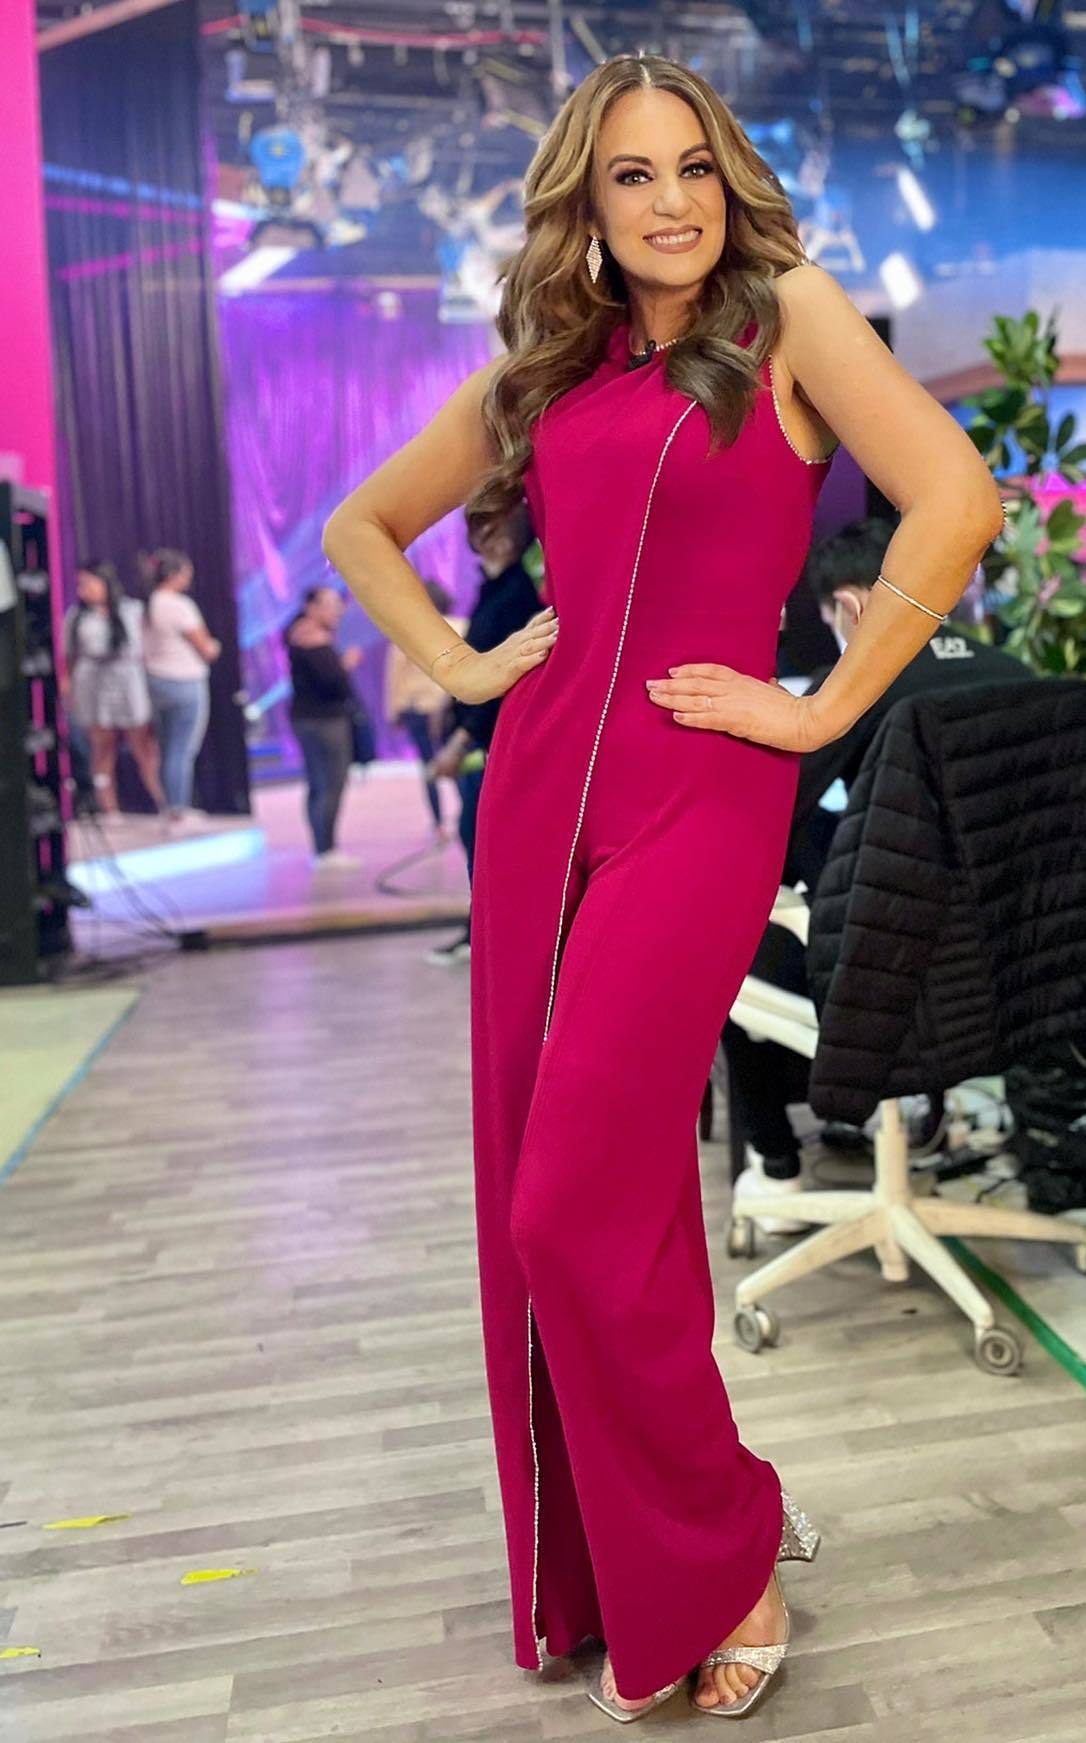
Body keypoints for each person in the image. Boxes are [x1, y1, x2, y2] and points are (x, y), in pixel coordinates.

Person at [321, 53, 1001, 1722]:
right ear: (591, 201)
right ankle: (637, 1558)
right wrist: (462, 666)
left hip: (703, 789)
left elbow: (957, 499)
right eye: (632, 175)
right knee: (583, 1194)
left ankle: (726, 1529)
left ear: (728, 176)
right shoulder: (549, 369)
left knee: (563, 1204)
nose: (670, 200)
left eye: (692, 165)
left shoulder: (790, 317)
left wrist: (824, 708)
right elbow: (360, 528)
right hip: (538, 794)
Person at [721, 516, 1031, 1231]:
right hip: (1012, 968)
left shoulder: (862, 680)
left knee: (729, 947)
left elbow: (777, 810)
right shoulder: (1016, 675)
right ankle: (905, 1114)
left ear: (849, 607)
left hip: (895, 970)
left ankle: (779, 1171)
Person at [424, 504, 541, 968]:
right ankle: (481, 934)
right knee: (475, 838)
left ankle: (487, 937)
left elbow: (502, 676)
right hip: (479, 737)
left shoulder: (517, 594)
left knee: (483, 841)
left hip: (493, 741)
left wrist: (461, 740)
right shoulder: (493, 588)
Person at [61, 560, 168, 817]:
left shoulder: (132, 610)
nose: (84, 589)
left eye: (89, 582)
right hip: (92, 683)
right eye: (80, 584)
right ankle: (109, 809)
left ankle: (166, 802)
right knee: (102, 747)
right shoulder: (76, 617)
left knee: (144, 746)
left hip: (128, 679)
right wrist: (68, 687)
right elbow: (69, 657)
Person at [140, 547, 222, 824]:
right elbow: (205, 646)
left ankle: (169, 806)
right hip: (184, 681)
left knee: (167, 748)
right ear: (173, 575)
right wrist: (214, 648)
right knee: (182, 749)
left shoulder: (148, 603)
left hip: (155, 680)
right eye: (186, 573)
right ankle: (178, 808)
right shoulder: (179, 605)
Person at [285, 585, 363, 868]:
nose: (337, 611)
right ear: (311, 607)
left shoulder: (296, 635)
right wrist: (345, 666)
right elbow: (335, 684)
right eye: (330, 604)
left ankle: (321, 847)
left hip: (305, 718)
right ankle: (326, 849)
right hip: (326, 721)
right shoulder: (314, 640)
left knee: (317, 784)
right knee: (331, 783)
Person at [384, 578, 464, 842]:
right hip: (451, 706)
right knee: (458, 762)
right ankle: (468, 815)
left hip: (416, 708)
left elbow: (395, 675)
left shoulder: (407, 632)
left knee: (429, 767)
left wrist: (393, 711)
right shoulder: (462, 626)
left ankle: (439, 824)